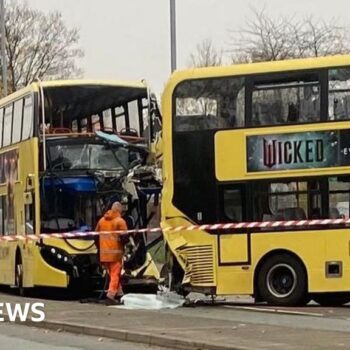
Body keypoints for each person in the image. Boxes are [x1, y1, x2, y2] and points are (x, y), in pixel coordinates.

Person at [95, 202, 127, 305]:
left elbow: (95, 236)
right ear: (119, 210)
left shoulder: (101, 221)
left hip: (104, 255)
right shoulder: (120, 221)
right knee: (115, 275)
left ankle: (120, 293)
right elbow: (124, 238)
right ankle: (111, 295)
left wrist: (99, 249)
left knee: (112, 274)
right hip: (115, 254)